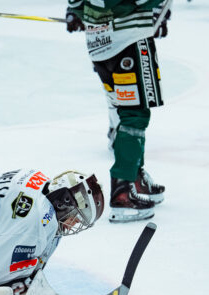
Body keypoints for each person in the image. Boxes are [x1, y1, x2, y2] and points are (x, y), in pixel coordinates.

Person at [65, 0, 172, 223]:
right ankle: (122, 191)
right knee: (134, 114)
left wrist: (79, 14)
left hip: (99, 44)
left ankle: (134, 177)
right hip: (128, 41)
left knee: (125, 110)